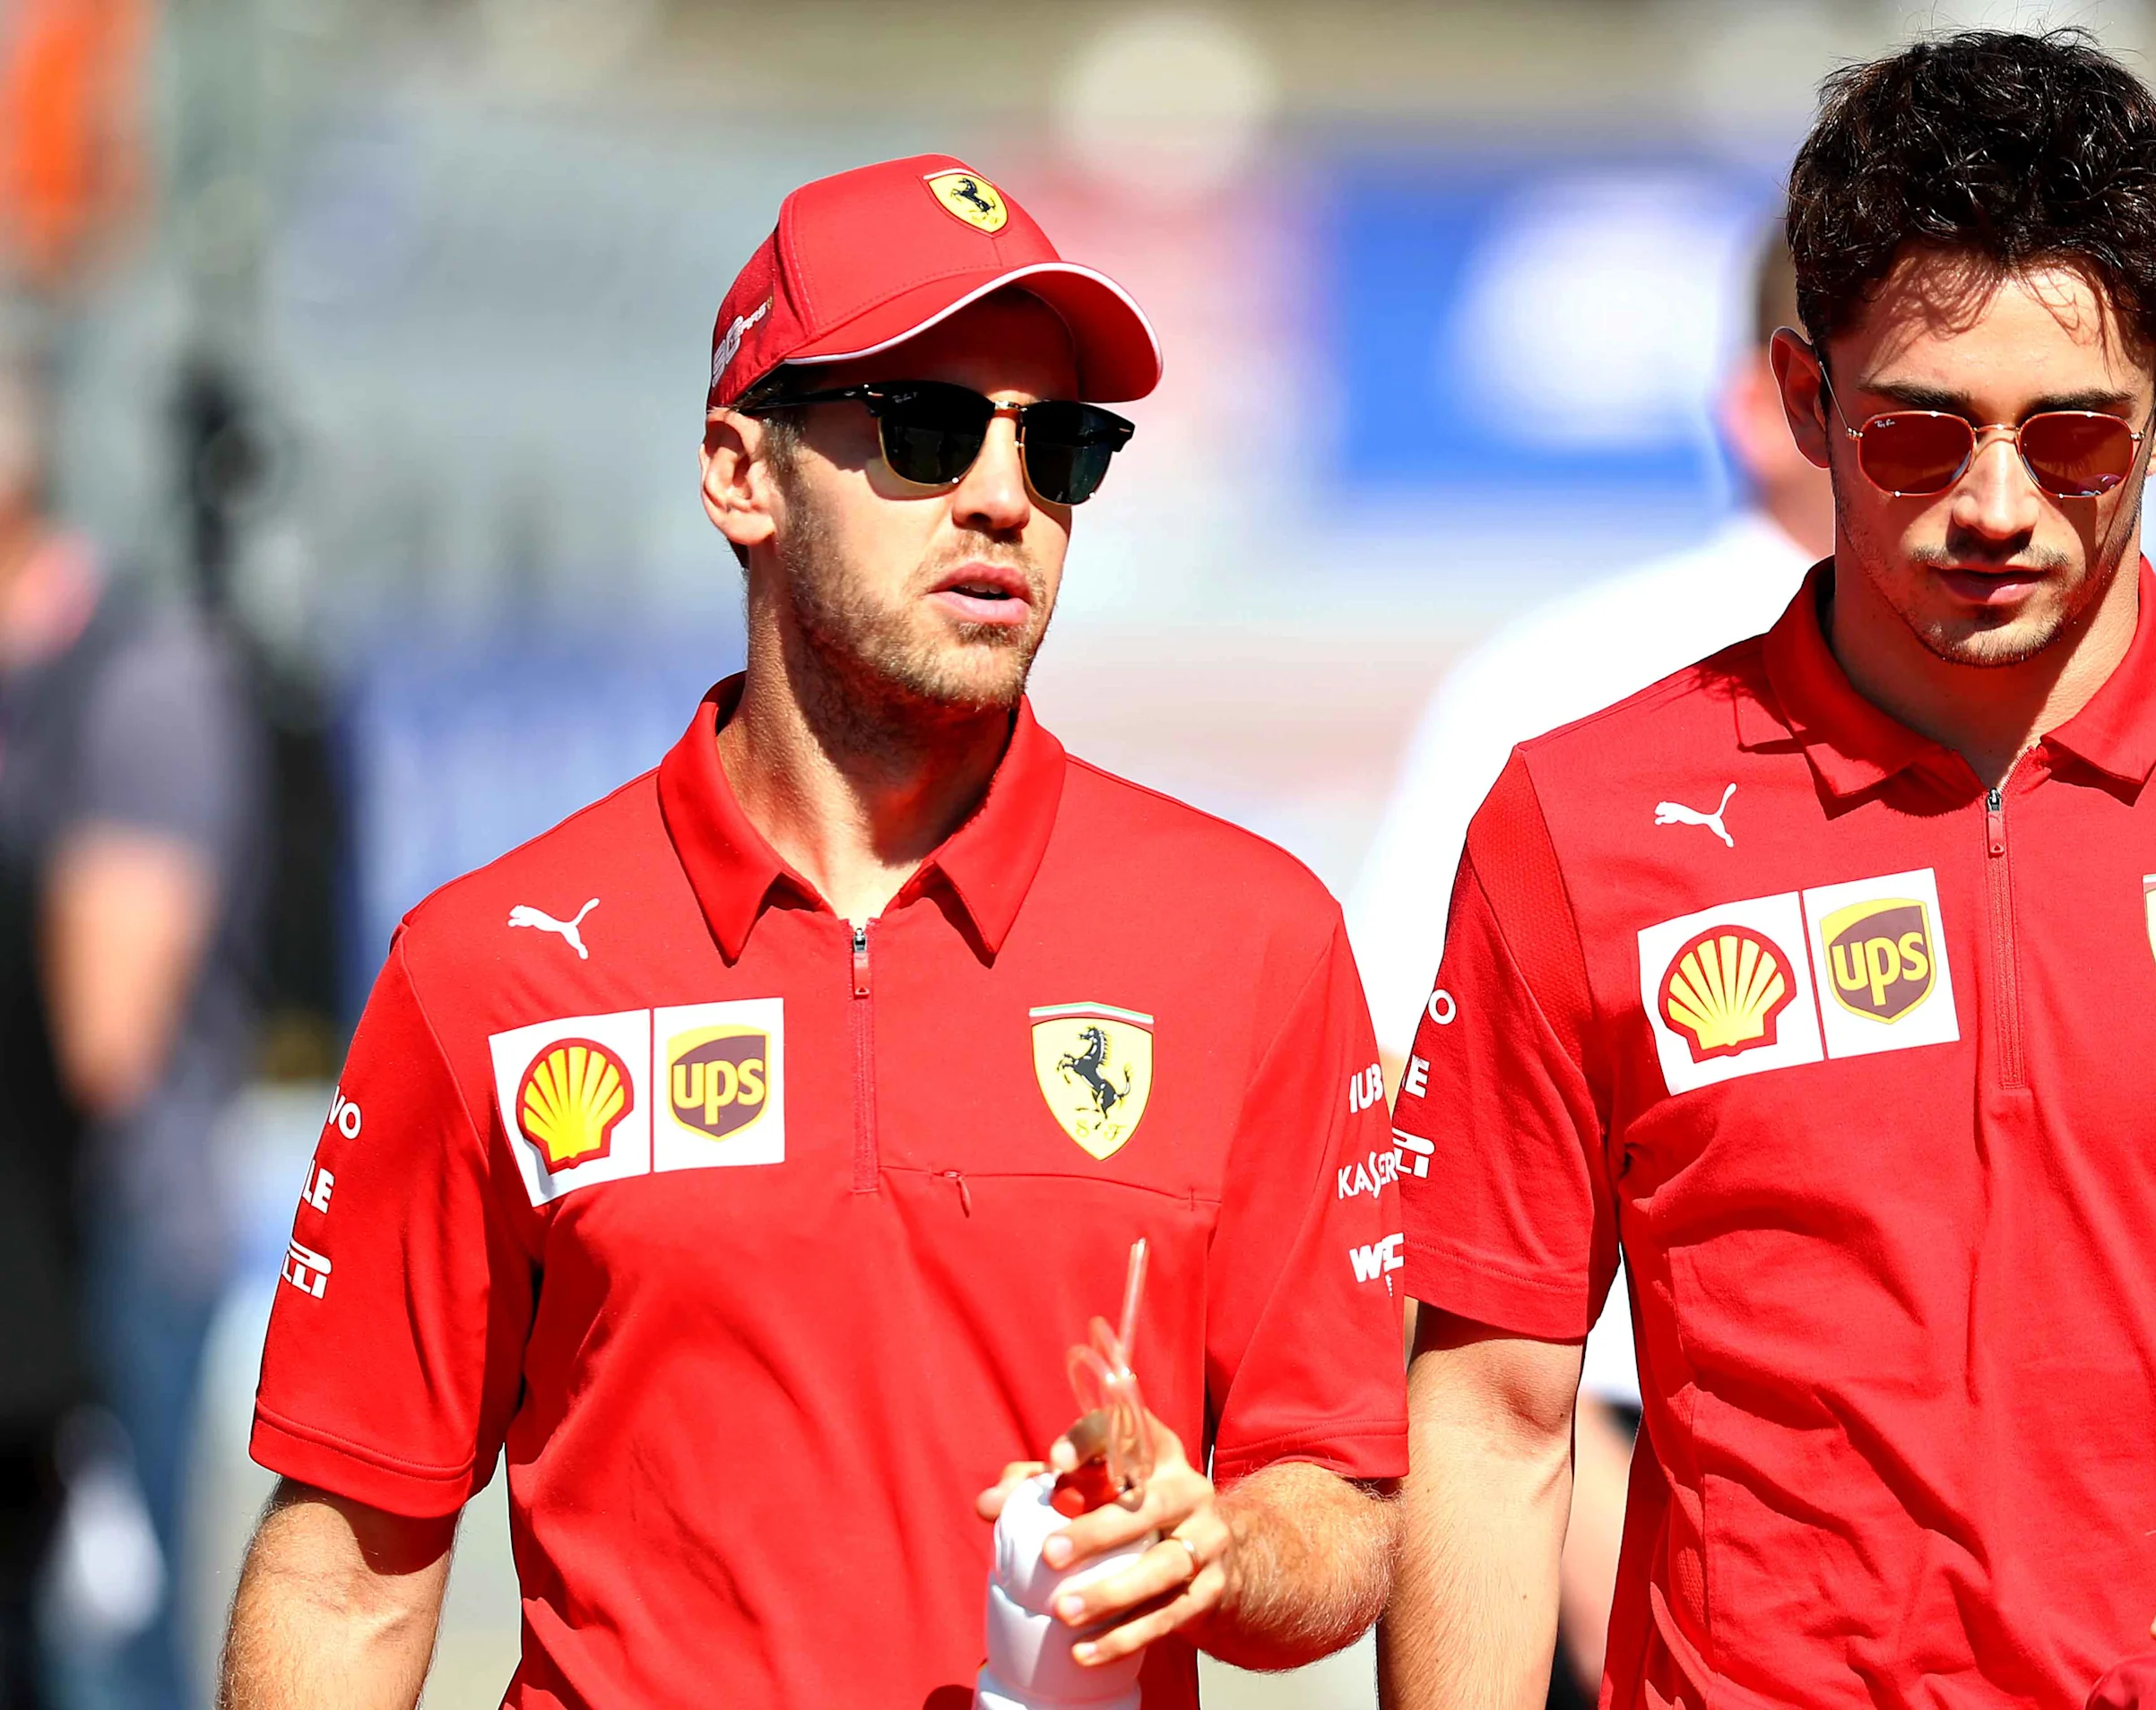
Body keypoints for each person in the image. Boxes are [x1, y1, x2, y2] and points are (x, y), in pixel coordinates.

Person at [1382, 30, 2156, 1710]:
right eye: (1920, 436)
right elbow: (1486, 1413)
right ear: (1801, 397)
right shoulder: (1581, 816)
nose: (1996, 506)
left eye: (2073, 441)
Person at [218, 156, 1403, 1708]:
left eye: (1058, 446)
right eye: (923, 425)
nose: (1000, 494)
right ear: (739, 472)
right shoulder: (487, 964)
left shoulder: (1252, 937)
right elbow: (342, 1573)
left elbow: (1345, 1505)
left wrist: (1216, 1547)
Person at [1346, 227, 1830, 1706]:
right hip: (1600, 1495)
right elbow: (1393, 1130)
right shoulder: (1567, 684)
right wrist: (1587, 1544)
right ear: (1771, 398)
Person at [0, 338, 260, 1709]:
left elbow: (107, 1031)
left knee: (102, 1649)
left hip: (109, 1256)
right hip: (25, 1235)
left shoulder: (133, 685)